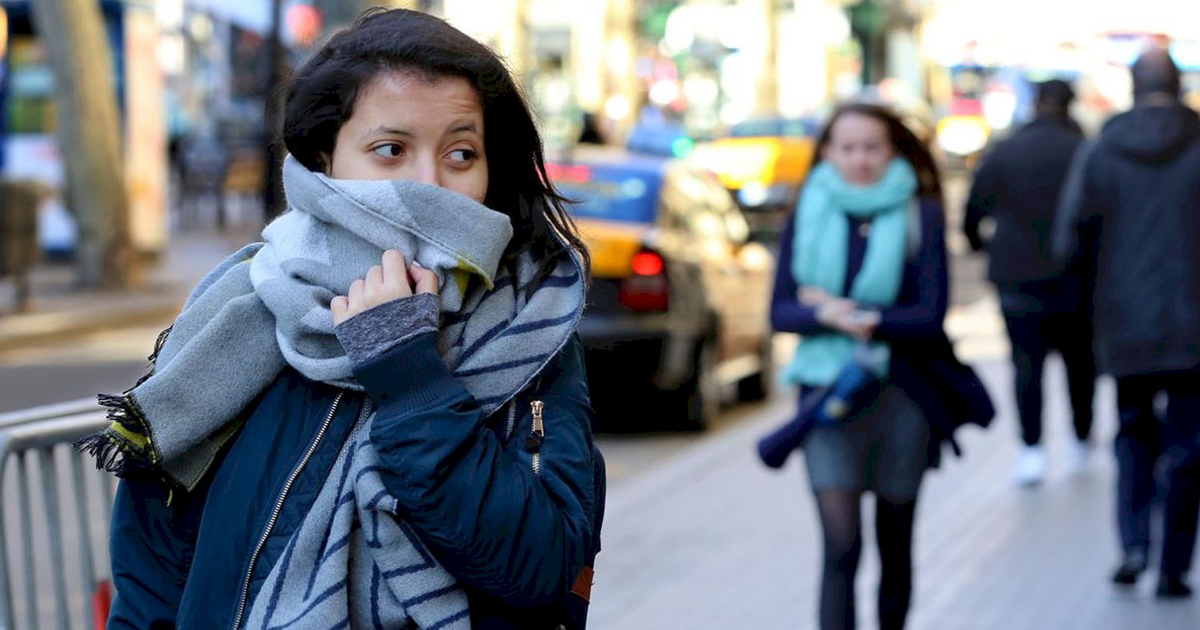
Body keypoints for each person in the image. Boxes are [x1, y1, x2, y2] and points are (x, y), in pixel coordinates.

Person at [85, 8, 604, 629]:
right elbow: (153, 574)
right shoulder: (241, 313)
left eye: (461, 154)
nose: (429, 185)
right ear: (325, 160)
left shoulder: (530, 331)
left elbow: (539, 566)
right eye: (390, 150)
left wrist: (410, 377)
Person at [770, 102, 993, 630]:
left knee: (895, 545)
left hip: (903, 396)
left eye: (873, 147)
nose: (861, 159)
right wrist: (822, 312)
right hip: (828, 396)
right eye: (848, 148)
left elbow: (930, 316)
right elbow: (782, 311)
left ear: (893, 150)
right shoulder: (808, 210)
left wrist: (852, 316)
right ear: (827, 151)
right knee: (840, 547)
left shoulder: (921, 213)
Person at [1054, 48, 1200, 599]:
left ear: (1133, 89)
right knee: (1188, 444)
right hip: (1193, 327)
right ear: (1180, 85)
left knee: (1133, 432)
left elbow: (1071, 239)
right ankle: (1174, 567)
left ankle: (1134, 545)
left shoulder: (1102, 150)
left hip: (1124, 322)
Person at [964, 79, 1096, 486]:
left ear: (1036, 104)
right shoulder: (1085, 151)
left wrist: (984, 246)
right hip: (1077, 278)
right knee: (1080, 364)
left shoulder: (1007, 150)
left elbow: (973, 211)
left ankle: (1031, 450)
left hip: (1017, 278)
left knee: (1026, 366)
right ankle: (1081, 441)